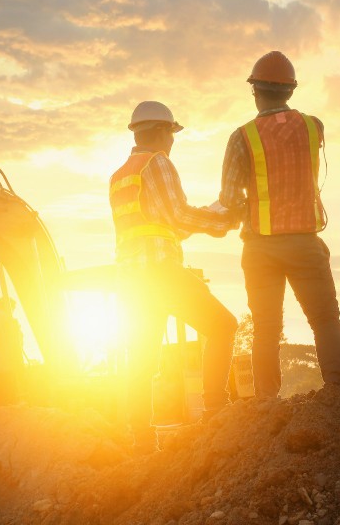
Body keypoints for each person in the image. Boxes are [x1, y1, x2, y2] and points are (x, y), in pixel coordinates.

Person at [218, 51, 340, 398]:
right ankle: (338, 391)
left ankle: (265, 403)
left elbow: (230, 200)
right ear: (291, 90)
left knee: (265, 328)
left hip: (260, 246)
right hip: (304, 242)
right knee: (324, 319)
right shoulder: (313, 126)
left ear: (254, 91)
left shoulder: (241, 137)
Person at [110, 100, 239, 453]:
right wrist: (223, 220)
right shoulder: (159, 163)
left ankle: (142, 439)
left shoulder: (121, 175)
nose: (173, 141)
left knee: (141, 356)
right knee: (224, 326)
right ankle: (215, 408)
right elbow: (179, 218)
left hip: (131, 280)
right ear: (161, 132)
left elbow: (161, 225)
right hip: (161, 272)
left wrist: (209, 217)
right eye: (172, 133)